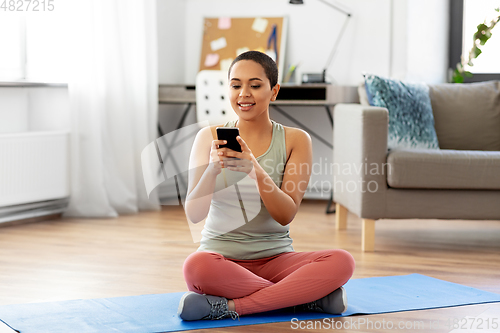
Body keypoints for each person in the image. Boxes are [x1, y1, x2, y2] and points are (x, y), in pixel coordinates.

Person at [178, 51, 355, 321]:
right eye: (236, 85)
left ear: (274, 92)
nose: (243, 93)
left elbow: (285, 214)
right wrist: (212, 170)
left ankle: (232, 307)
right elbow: (194, 214)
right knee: (195, 267)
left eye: (255, 85)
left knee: (342, 261)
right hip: (221, 260)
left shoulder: (297, 140)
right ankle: (303, 299)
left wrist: (255, 170)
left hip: (277, 260)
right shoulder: (207, 137)